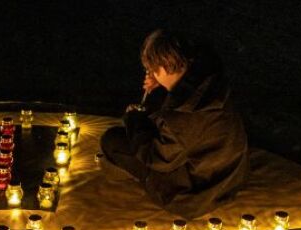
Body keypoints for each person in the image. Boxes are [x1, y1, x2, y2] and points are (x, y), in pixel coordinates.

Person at [99, 29, 250, 217]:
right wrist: (161, 88)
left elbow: (156, 158)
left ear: (162, 68)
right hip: (230, 177)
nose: (152, 74)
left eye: (153, 69)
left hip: (197, 195)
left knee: (112, 140)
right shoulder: (211, 78)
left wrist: (133, 120)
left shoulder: (181, 119)